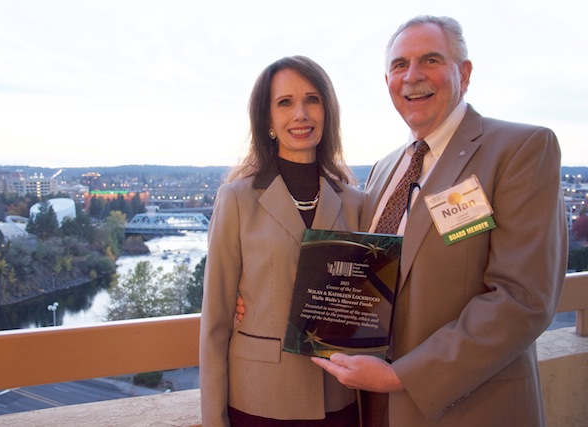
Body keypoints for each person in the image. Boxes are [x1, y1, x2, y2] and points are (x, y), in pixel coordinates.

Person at [311, 15, 568, 427]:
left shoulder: (520, 150)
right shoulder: (383, 169)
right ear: (387, 82)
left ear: (463, 74)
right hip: (377, 407)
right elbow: (354, 271)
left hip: (471, 409)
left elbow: (523, 299)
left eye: (430, 60)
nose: (412, 77)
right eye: (399, 65)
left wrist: (401, 377)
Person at [199, 55, 364, 427]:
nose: (300, 114)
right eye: (285, 103)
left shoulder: (355, 202)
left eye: (312, 100)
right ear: (268, 119)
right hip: (260, 399)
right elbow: (215, 322)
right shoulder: (237, 199)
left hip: (338, 396)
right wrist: (214, 418)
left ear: (327, 111)